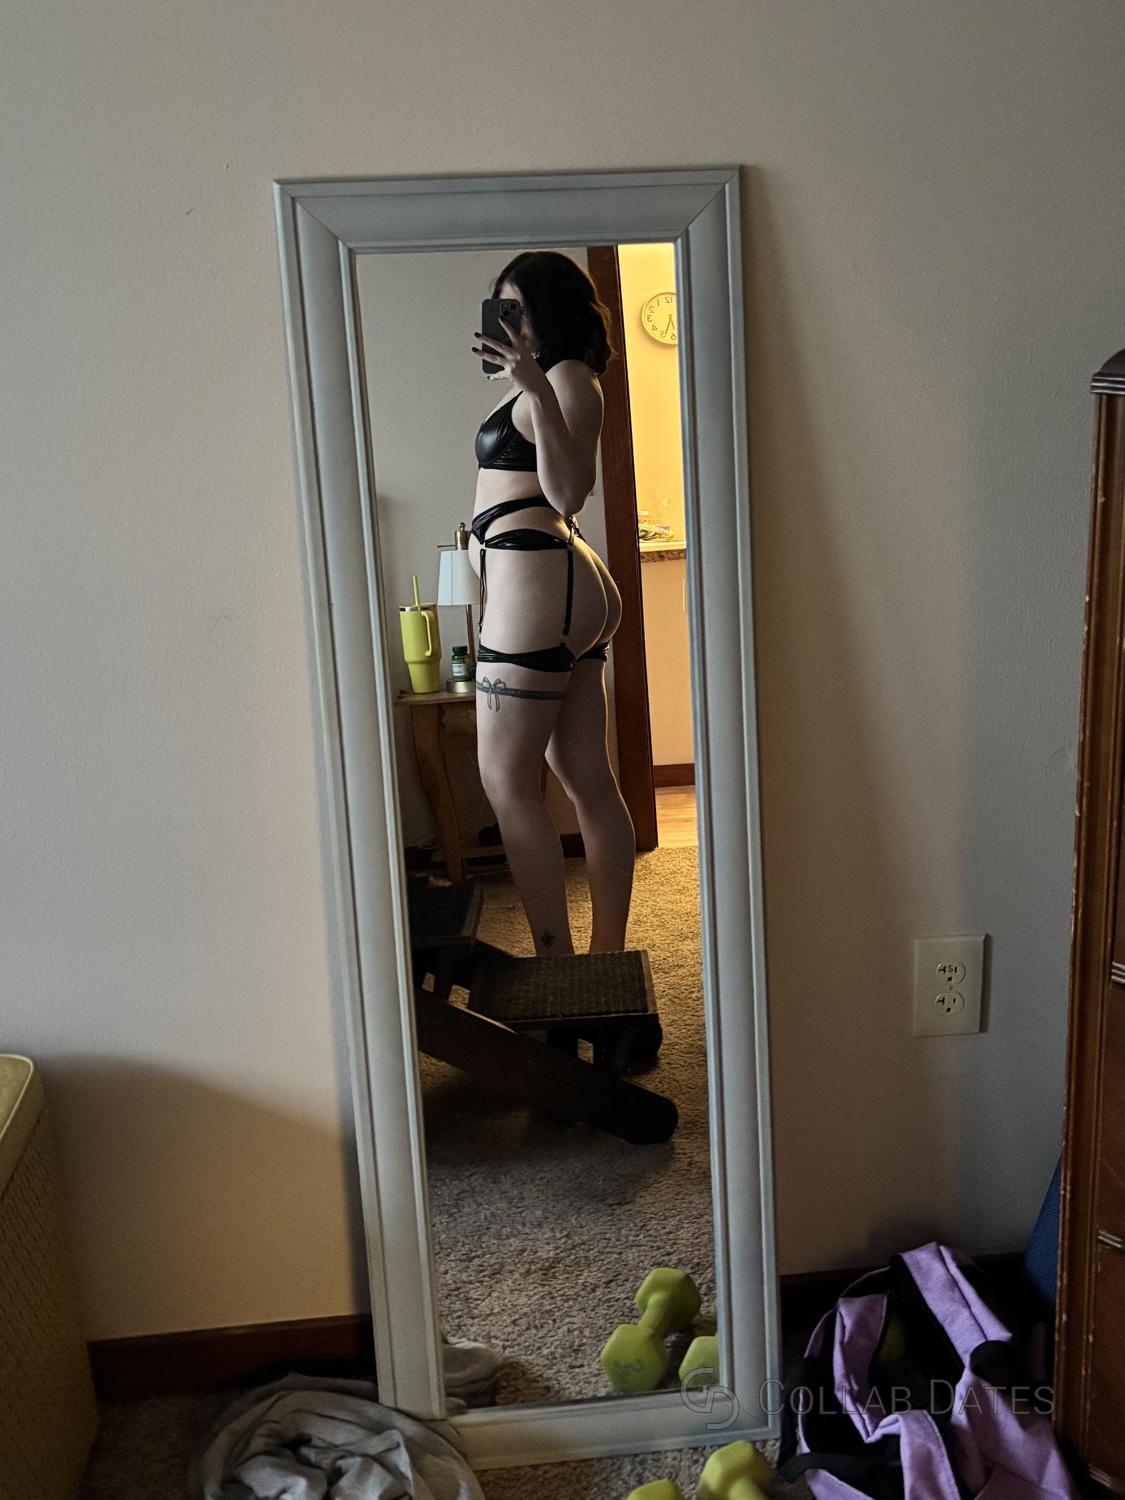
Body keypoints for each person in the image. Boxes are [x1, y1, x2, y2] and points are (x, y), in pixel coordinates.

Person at [468, 250, 635, 957]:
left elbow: (569, 493)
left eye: (521, 308)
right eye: (501, 307)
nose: (511, 322)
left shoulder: (566, 378)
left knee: (507, 782)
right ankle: (601, 961)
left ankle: (560, 966)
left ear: (551, 311)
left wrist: (533, 387)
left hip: (539, 581)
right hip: (551, 585)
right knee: (586, 779)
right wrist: (524, 383)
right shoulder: (547, 378)